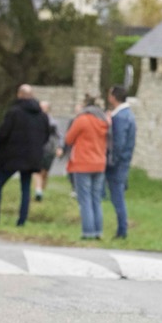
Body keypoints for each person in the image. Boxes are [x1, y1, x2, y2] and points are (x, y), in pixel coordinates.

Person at [0, 84, 49, 227]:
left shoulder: (14, 112)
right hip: (32, 158)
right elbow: (46, 136)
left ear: (19, 95)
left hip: (12, 157)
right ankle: (22, 220)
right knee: (25, 187)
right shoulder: (42, 115)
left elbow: (3, 134)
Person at [64, 93, 110, 241]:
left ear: (85, 105)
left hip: (82, 163)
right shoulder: (104, 120)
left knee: (85, 199)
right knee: (96, 199)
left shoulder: (82, 119)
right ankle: (98, 231)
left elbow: (69, 138)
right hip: (100, 163)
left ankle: (88, 232)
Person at [105, 85, 137, 240]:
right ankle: (121, 229)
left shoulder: (120, 116)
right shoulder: (128, 114)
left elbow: (119, 141)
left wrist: (112, 160)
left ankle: (122, 230)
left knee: (117, 196)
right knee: (118, 194)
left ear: (113, 97)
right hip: (124, 160)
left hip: (118, 163)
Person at [34, 100, 59, 202]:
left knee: (44, 172)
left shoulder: (53, 122)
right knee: (37, 171)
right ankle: (38, 191)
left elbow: (58, 136)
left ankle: (41, 191)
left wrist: (59, 147)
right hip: (37, 149)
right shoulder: (34, 120)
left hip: (49, 150)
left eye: (44, 107)